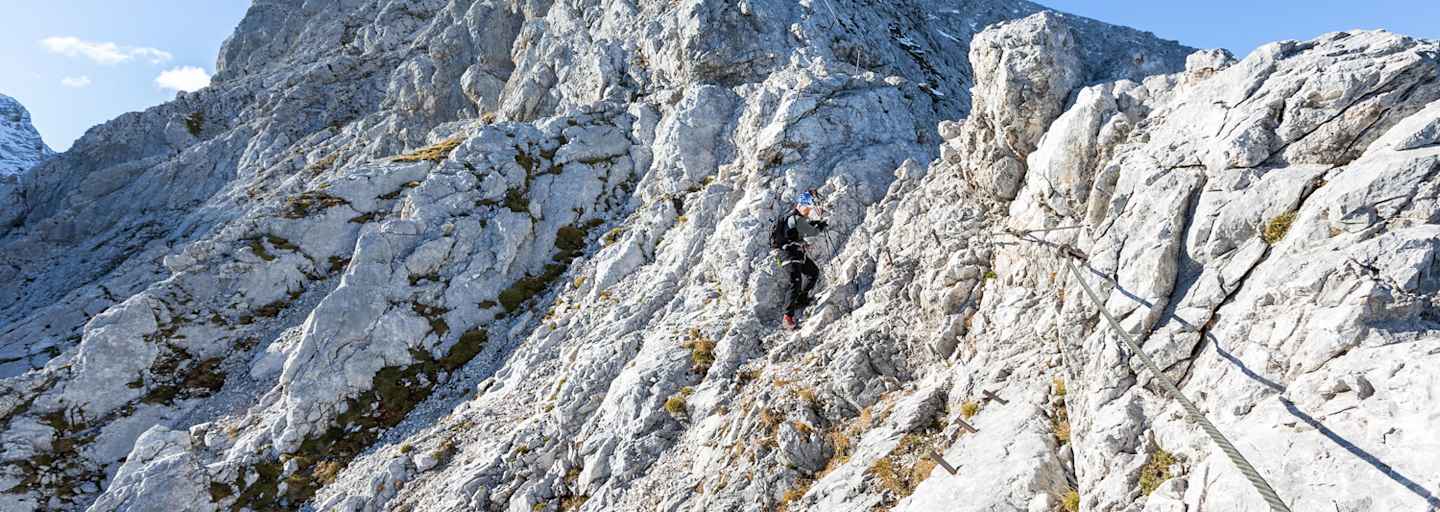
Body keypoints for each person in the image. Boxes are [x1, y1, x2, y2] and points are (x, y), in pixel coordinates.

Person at [770, 191, 828, 330]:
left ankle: (801, 299)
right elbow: (811, 231)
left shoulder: (795, 218)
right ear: (800, 205)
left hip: (795, 253)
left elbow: (802, 230)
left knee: (813, 272)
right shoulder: (795, 218)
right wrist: (819, 225)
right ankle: (787, 317)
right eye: (807, 208)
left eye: (810, 209)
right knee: (795, 282)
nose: (808, 211)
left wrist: (816, 223)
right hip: (787, 254)